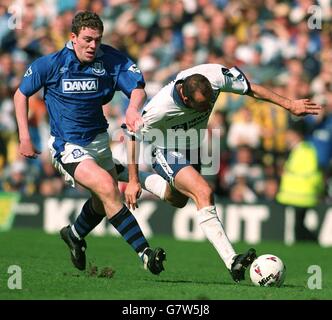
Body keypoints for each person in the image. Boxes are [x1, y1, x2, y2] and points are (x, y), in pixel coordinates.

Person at [123, 63, 322, 282]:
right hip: (163, 146)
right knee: (203, 192)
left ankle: (120, 171)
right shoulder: (159, 109)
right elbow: (132, 134)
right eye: (202, 105)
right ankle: (232, 261)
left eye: (210, 101)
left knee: (178, 199)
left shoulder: (216, 76)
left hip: (191, 146)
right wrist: (133, 181)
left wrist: (290, 104)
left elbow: (250, 88)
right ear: (186, 99)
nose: (208, 107)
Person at [13, 11, 166, 275]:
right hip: (68, 146)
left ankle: (74, 234)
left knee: (101, 200)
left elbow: (138, 87)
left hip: (99, 140)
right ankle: (145, 253)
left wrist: (133, 108)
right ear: (73, 37)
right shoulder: (50, 64)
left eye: (97, 39)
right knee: (109, 188)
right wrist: (25, 137)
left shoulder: (111, 60)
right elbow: (20, 95)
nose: (93, 45)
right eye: (87, 39)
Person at [276, 120, 324, 241]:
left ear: (295, 134)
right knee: (298, 226)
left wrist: (287, 172)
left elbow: (310, 174)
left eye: (289, 133)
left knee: (298, 227)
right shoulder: (300, 150)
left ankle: (315, 244)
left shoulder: (305, 150)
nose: (286, 135)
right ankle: (314, 246)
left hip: (300, 195)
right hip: (299, 195)